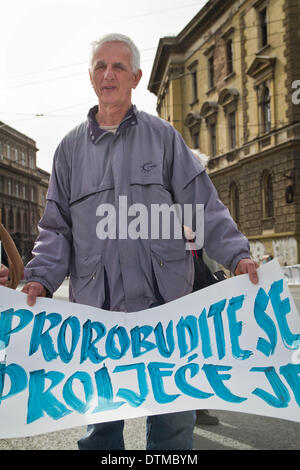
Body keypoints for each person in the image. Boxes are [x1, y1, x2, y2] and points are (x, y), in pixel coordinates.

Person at [22, 33, 258, 450]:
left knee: (172, 431)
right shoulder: (69, 150)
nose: (108, 75)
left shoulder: (164, 137)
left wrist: (237, 256)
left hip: (166, 311)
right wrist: (40, 277)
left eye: (117, 67)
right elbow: (56, 228)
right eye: (100, 66)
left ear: (135, 76)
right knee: (101, 429)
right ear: (91, 77)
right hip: (98, 316)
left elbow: (202, 205)